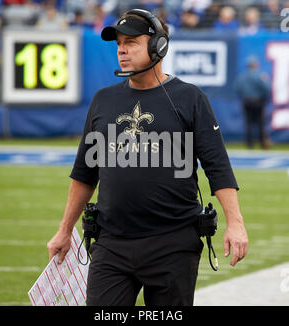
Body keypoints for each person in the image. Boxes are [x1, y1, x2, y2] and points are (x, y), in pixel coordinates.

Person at [47, 8, 248, 306]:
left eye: (131, 42)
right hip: (111, 243)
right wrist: (64, 230)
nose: (122, 50)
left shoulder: (190, 99)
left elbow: (217, 166)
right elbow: (84, 173)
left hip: (173, 244)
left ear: (159, 46)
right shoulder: (103, 100)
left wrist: (236, 223)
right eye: (118, 44)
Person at [235, 55, 270, 149]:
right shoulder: (259, 75)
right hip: (258, 101)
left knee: (248, 123)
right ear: (255, 65)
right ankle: (263, 142)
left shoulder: (242, 76)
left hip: (247, 101)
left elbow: (237, 89)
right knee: (261, 123)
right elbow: (266, 88)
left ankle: (249, 143)